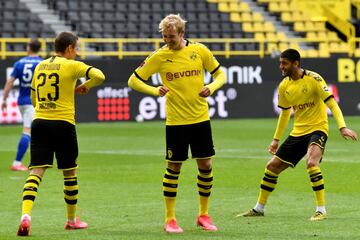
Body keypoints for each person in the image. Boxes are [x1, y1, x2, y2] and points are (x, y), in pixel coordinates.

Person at [128, 14, 226, 233]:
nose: (167, 41)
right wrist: (154, 90)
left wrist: (211, 87)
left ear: (182, 33)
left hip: (201, 119)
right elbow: (133, 80)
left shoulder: (200, 51)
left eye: (171, 37)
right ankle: (170, 219)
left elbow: (220, 74)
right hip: (176, 122)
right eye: (164, 36)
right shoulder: (160, 56)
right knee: (174, 168)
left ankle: (203, 215)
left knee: (206, 166)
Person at [238, 48, 358, 221]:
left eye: (284, 63)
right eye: (280, 63)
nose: (281, 66)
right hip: (298, 132)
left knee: (311, 162)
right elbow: (285, 114)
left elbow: (332, 104)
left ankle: (321, 210)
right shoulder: (284, 85)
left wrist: (342, 127)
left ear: (296, 63)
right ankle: (259, 208)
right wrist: (275, 140)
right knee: (272, 167)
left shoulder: (314, 79)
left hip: (318, 128)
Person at [16, 32, 105, 237]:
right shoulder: (71, 65)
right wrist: (85, 86)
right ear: (70, 48)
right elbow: (99, 76)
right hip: (63, 124)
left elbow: (34, 98)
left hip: (40, 122)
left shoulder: (40, 66)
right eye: (77, 48)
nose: (77, 52)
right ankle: (72, 220)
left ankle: (25, 215)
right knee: (69, 173)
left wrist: (44, 108)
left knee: (35, 172)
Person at [1, 39, 42, 171]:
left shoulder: (19, 63)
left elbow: (10, 82)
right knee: (28, 131)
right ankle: (17, 162)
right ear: (39, 49)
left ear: (29, 47)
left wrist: (4, 99)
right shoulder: (42, 63)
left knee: (35, 131)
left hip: (22, 101)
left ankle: (37, 160)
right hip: (33, 102)